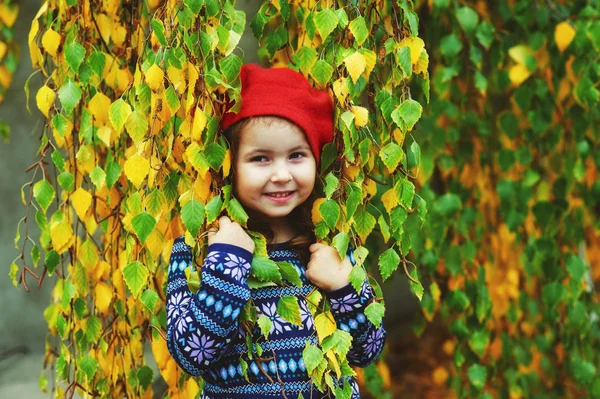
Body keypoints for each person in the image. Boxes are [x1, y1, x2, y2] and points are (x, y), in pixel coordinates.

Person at [166, 64, 386, 399]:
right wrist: (226, 266)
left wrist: (343, 289)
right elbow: (191, 355)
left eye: (296, 155)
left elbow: (366, 350)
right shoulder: (199, 247)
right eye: (261, 159)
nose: (282, 174)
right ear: (229, 165)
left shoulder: (328, 242)